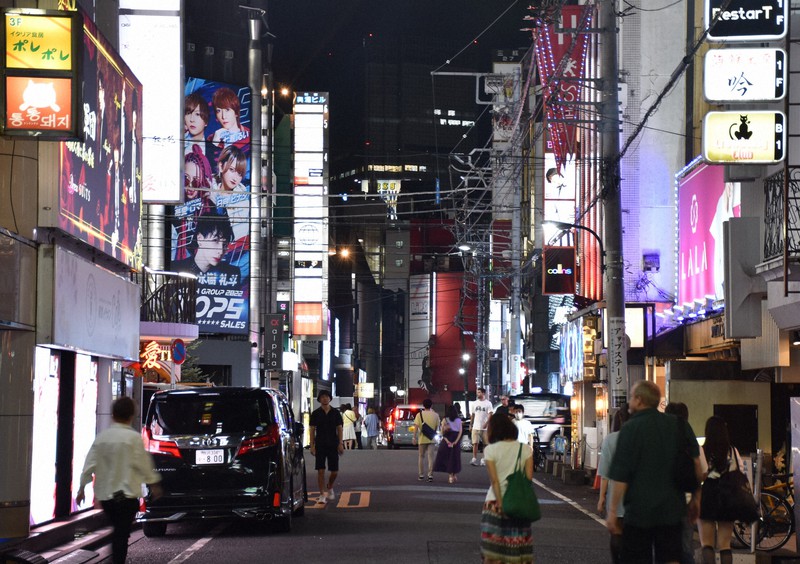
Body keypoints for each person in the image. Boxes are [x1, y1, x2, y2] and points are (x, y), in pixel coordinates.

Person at [606, 381, 703, 564]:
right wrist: (696, 499)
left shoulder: (630, 428)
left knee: (637, 558)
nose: (630, 402)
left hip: (638, 512)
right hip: (672, 510)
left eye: (632, 397)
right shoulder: (679, 425)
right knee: (671, 558)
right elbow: (695, 465)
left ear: (640, 400)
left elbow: (621, 476)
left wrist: (612, 511)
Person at [76, 397, 163, 564]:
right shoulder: (133, 438)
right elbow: (144, 464)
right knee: (121, 532)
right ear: (132, 416)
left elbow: (90, 464)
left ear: (113, 415)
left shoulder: (103, 438)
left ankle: (116, 558)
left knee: (119, 530)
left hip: (107, 498)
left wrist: (81, 488)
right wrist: (154, 484)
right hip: (127, 497)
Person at [480, 412, 534, 563]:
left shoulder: (490, 450)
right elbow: (529, 479)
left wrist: (501, 504)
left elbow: (495, 481)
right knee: (518, 549)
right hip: (518, 505)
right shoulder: (526, 450)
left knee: (493, 551)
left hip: (494, 504)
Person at [666, 402, 708, 564]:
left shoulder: (659, 438)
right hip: (687, 496)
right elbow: (700, 471)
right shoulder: (691, 440)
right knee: (685, 544)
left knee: (663, 545)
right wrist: (697, 499)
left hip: (664, 498)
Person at [697, 416, 744, 564]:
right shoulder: (732, 451)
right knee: (725, 545)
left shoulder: (703, 450)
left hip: (708, 495)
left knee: (706, 543)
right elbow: (740, 471)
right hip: (728, 497)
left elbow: (700, 474)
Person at [596, 403, 630, 564]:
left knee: (616, 534)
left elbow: (605, 474)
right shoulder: (643, 437)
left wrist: (602, 498)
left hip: (616, 498)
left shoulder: (610, 440)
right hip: (639, 499)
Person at [171, 211, 240, 281]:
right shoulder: (175, 268)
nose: (221, 251)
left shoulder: (232, 273)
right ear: (200, 239)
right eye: (215, 241)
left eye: (224, 244)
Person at [309, 390, 344, 504]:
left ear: (330, 398)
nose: (324, 399)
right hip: (320, 444)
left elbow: (339, 428)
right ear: (319, 399)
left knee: (334, 471)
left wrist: (340, 443)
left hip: (333, 444)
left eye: (326, 397)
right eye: (322, 397)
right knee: (320, 470)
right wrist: (312, 445)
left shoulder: (335, 413)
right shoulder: (315, 413)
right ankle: (322, 493)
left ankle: (330, 485)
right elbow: (312, 429)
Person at [433, 404, 463, 484]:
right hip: (456, 439)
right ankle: (454, 474)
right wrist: (456, 442)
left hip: (447, 440)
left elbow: (442, 432)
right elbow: (460, 432)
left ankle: (450, 476)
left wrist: (447, 441)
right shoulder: (459, 420)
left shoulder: (445, 420)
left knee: (447, 458)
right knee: (455, 458)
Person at [412, 398, 440, 482]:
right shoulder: (435, 415)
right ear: (431, 405)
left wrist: (414, 437)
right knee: (431, 457)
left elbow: (416, 427)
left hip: (422, 439)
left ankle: (421, 475)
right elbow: (437, 427)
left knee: (421, 456)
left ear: (423, 406)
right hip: (431, 439)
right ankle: (430, 475)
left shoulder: (419, 415)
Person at [470, 387, 493, 466]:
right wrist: (471, 424)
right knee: (475, 443)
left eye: (479, 392)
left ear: (483, 393)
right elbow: (472, 415)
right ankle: (474, 458)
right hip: (475, 426)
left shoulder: (488, 403)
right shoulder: (474, 403)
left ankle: (483, 459)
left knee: (485, 444)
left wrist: (486, 423)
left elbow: (490, 414)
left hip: (485, 427)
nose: (477, 394)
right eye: (477, 392)